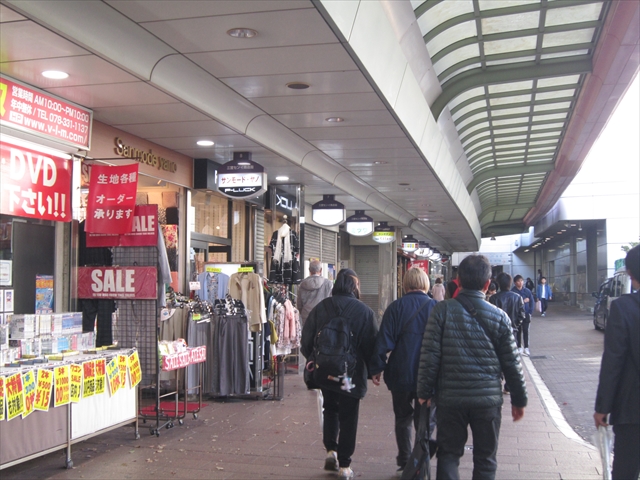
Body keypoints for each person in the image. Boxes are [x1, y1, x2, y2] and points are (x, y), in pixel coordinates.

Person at [417, 255, 527, 480]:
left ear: (458, 280)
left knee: (448, 454)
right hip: (487, 402)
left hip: (450, 399)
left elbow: (429, 355)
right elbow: (512, 363)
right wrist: (519, 399)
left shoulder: (441, 311)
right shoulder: (500, 317)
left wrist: (424, 392)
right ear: (488, 284)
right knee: (486, 459)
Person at [301, 268, 377, 480]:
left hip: (325, 373)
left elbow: (306, 342)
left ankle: (331, 451)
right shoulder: (364, 312)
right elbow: (372, 345)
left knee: (330, 408)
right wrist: (374, 370)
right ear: (354, 287)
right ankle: (345, 465)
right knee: (349, 414)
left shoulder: (321, 308)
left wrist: (318, 360)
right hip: (350, 376)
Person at [370, 267, 438, 477]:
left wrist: (377, 368)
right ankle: (420, 463)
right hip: (428, 375)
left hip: (400, 372)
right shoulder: (437, 307)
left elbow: (384, 341)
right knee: (424, 422)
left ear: (406, 284)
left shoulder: (395, 307)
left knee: (402, 418)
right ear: (426, 284)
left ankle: (404, 461)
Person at [594, 245, 640, 480]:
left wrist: (602, 407)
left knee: (626, 471)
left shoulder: (623, 308)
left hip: (632, 410)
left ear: (630, 273)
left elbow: (613, 361)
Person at [297, 259, 333, 325]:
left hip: (306, 317)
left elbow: (299, 304)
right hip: (323, 316)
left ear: (309, 270)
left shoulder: (302, 284)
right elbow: (331, 302)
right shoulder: (328, 284)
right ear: (321, 270)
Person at [512, 274, 534, 356]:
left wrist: (530, 312)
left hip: (526, 314)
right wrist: (523, 301)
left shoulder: (527, 291)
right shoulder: (513, 292)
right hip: (517, 315)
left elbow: (532, 302)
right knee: (518, 331)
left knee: (526, 331)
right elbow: (513, 303)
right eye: (518, 281)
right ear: (515, 282)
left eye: (521, 281)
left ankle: (526, 347)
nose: (520, 283)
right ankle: (519, 347)